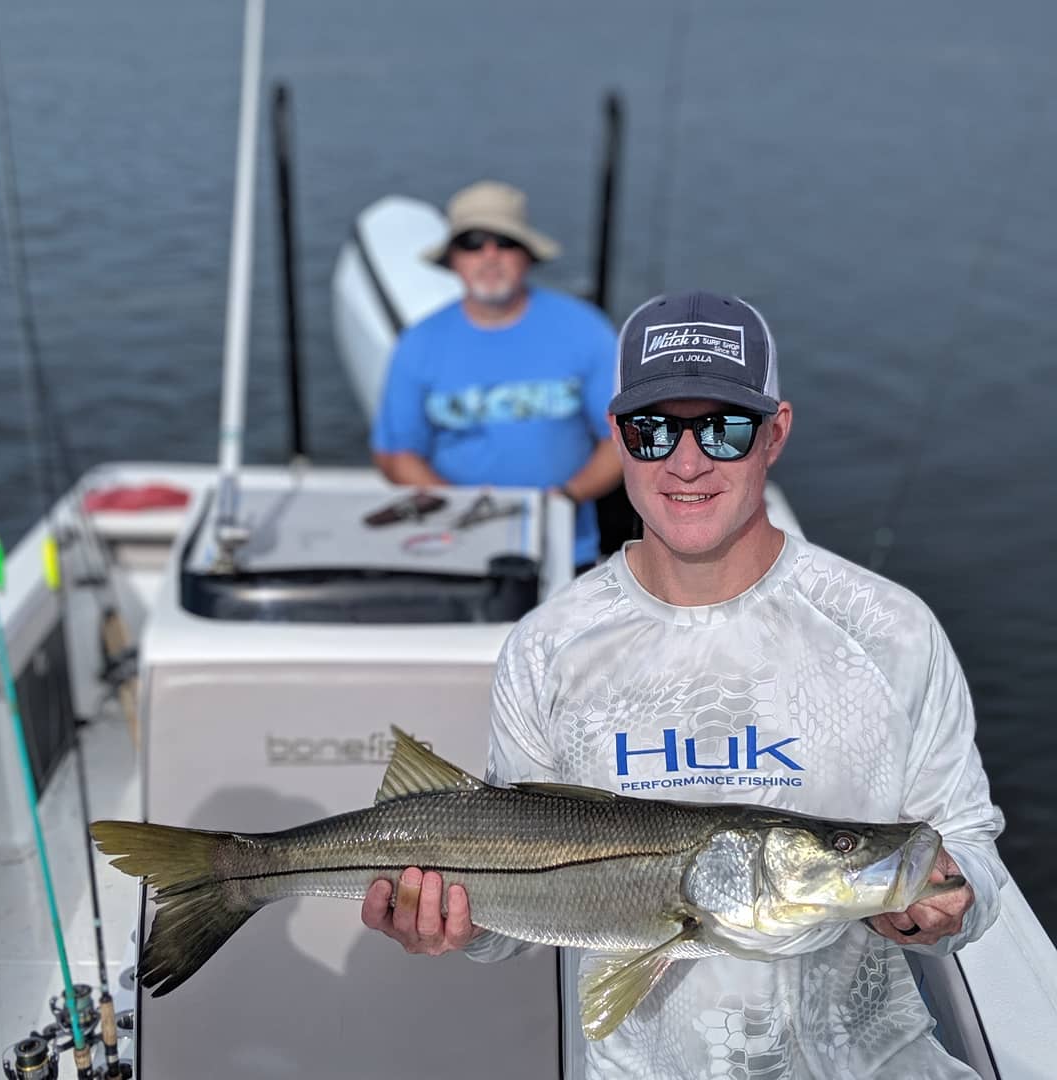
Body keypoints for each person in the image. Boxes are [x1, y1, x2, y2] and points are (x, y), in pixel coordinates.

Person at [362, 290, 1007, 1078]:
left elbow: (967, 844)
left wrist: (951, 900)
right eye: (653, 428)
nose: (687, 460)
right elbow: (515, 916)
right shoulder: (548, 647)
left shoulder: (888, 628)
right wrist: (454, 924)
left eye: (725, 429)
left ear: (776, 434)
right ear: (618, 438)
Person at [371, 179, 622, 571]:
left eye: (505, 242)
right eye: (472, 243)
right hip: (452, 549)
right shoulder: (418, 344)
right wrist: (468, 511)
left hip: (567, 550)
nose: (489, 256)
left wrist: (566, 498)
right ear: (453, 259)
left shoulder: (586, 330)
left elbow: (622, 439)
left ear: (527, 255)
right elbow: (396, 455)